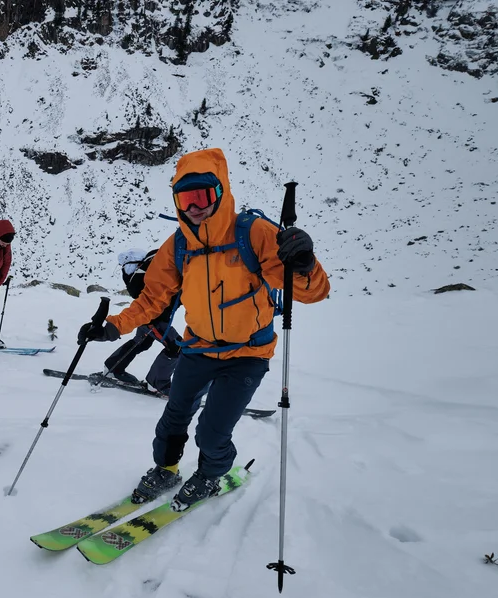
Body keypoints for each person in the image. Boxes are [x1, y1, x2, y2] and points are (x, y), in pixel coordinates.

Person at [79, 148, 329, 510]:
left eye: (203, 195)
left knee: (212, 433)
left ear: (221, 191)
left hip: (246, 355)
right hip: (197, 351)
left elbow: (311, 292)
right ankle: (165, 470)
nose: (195, 206)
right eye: (186, 197)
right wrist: (112, 327)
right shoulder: (179, 245)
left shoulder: (254, 234)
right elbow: (152, 300)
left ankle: (211, 475)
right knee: (170, 425)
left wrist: (304, 262)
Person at [99, 247, 184, 395]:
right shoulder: (169, 269)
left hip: (150, 315)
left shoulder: (155, 267)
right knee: (175, 346)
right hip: (153, 316)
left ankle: (113, 367)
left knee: (141, 341)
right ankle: (157, 383)